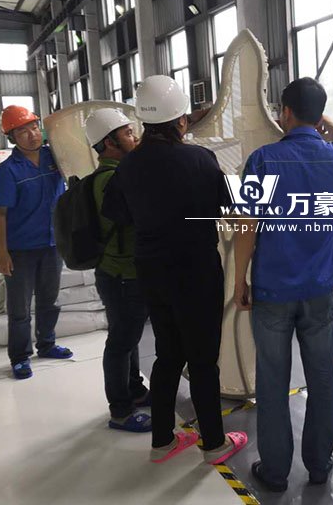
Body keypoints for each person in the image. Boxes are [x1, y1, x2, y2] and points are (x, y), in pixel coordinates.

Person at [101, 75, 247, 464]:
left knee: (167, 355)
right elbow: (228, 208)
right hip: (197, 271)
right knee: (202, 360)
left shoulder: (128, 166)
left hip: (152, 271)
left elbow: (117, 213)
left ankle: (163, 440)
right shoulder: (200, 159)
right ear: (181, 120)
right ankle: (214, 443)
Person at [233, 77, 333, 492]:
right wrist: (325, 122)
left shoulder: (263, 160)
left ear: (284, 112)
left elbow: (246, 227)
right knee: (322, 379)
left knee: (272, 382)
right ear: (318, 116)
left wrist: (240, 279)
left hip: (272, 290)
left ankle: (275, 471)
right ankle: (319, 464)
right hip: (319, 290)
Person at [0, 105, 73, 380]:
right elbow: (0, 214)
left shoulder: (55, 157)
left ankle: (47, 344)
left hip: (52, 244)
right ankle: (19, 357)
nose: (32, 134)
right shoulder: (6, 171)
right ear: (12, 138)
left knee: (50, 300)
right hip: (21, 248)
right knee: (19, 308)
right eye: (22, 131)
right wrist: (1, 252)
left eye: (34, 127)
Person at [84, 108, 151, 433]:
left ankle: (134, 390)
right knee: (121, 342)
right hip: (121, 275)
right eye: (127, 133)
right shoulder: (110, 181)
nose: (134, 137)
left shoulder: (116, 175)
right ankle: (121, 410)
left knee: (129, 337)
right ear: (109, 143)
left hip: (122, 273)